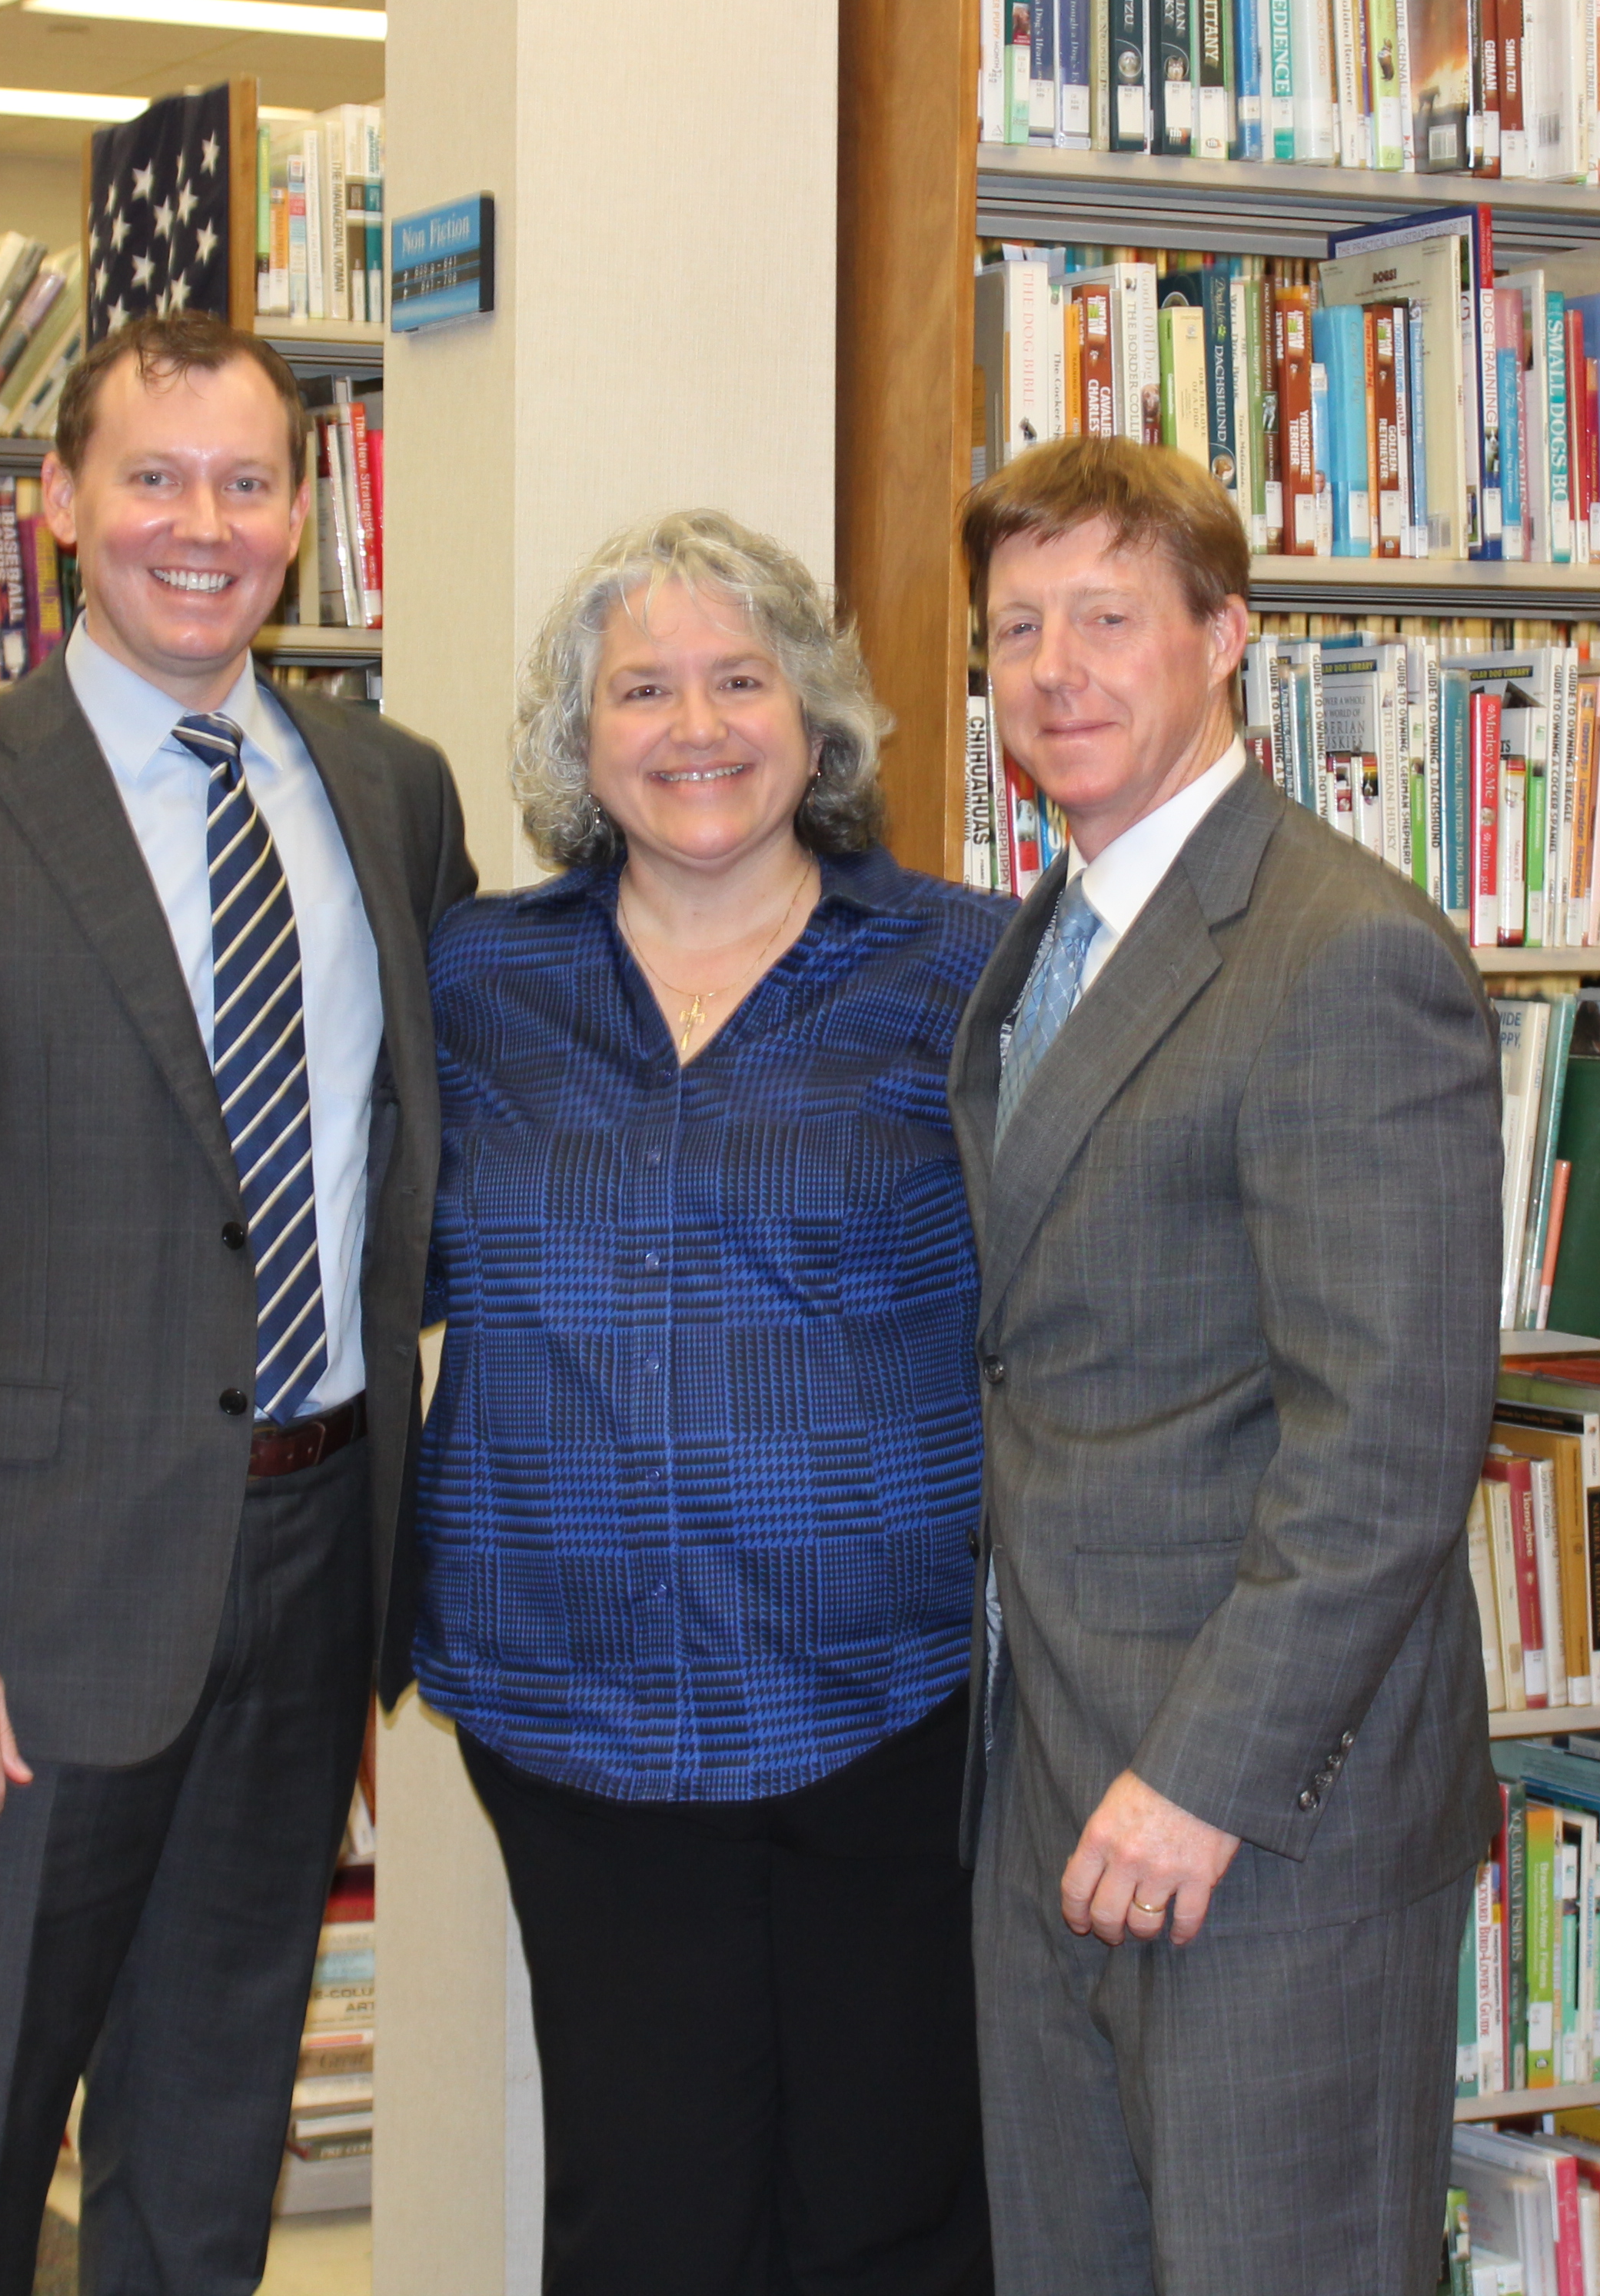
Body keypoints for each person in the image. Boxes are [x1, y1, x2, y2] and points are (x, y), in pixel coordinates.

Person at [0, 312, 477, 2296]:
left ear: (304, 514)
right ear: (59, 502)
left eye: (248, 482)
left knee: (208, 2135)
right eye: (154, 478)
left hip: (310, 1557)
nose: (203, 525)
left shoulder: (386, 797)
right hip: (14, 1618)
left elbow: (442, 1148)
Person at [401, 511, 1014, 2296]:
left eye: (741, 679)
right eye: (642, 689)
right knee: (645, 2203)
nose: (696, 726)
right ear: (577, 745)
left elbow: (1068, 1306)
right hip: (570, 1697)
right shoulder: (478, 982)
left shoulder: (965, 973)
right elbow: (387, 1269)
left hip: (886, 1693)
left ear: (815, 718)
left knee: (891, 2200)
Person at [949, 437, 1501, 2296]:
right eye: (1017, 627)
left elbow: (1388, 1452)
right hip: (1046, 1780)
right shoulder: (1050, 939)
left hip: (1263, 1820)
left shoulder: (1344, 957)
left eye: (1109, 617)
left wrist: (1201, 1782)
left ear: (1227, 638)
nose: (1056, 670)